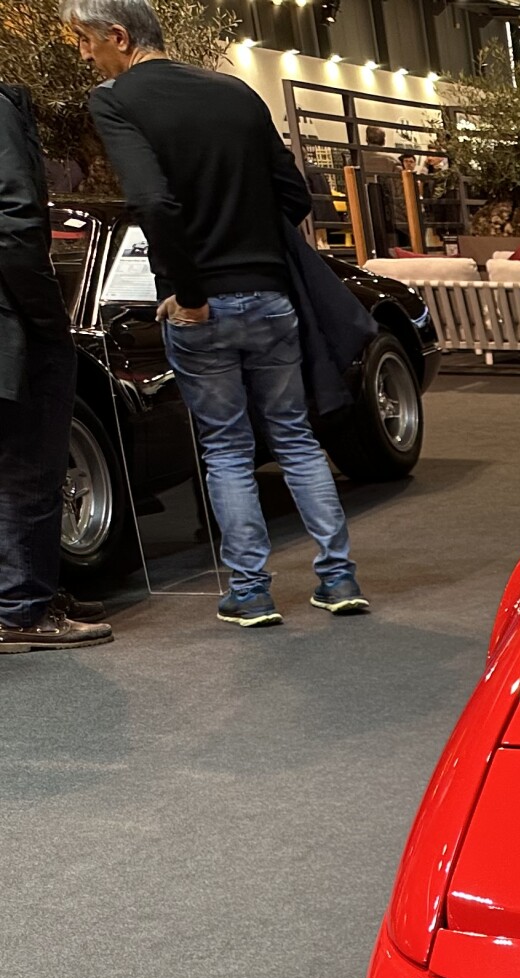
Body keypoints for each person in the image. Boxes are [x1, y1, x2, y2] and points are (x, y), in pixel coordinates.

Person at [67, 0, 367, 628]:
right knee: (296, 437)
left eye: (85, 40)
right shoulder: (235, 92)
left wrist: (191, 291)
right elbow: (294, 192)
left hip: (201, 308)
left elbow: (152, 200)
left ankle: (252, 592)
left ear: (118, 36)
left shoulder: (115, 100)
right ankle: (338, 578)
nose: (83, 53)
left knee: (227, 450)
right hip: (273, 296)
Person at [1, 78, 111, 650]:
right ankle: (21, 608)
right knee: (27, 466)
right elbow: (15, 226)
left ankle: (27, 595)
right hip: (12, 325)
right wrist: (49, 322)